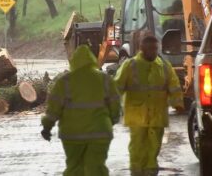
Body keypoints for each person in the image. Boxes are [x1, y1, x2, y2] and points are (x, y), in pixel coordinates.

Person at [41, 45, 121, 176]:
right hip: (99, 133)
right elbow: (115, 106)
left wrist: (47, 128)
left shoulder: (64, 82)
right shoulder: (105, 79)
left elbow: (53, 110)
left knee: (74, 168)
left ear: (73, 61)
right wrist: (111, 121)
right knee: (97, 168)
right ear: (92, 60)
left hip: (72, 135)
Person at [114, 36, 184, 176]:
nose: (153, 52)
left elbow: (174, 85)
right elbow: (117, 86)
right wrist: (110, 106)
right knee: (137, 149)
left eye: (155, 49)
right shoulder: (130, 65)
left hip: (157, 117)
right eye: (150, 49)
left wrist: (177, 103)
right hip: (137, 116)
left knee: (154, 148)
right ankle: (137, 172)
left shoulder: (163, 66)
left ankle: (151, 172)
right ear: (142, 48)